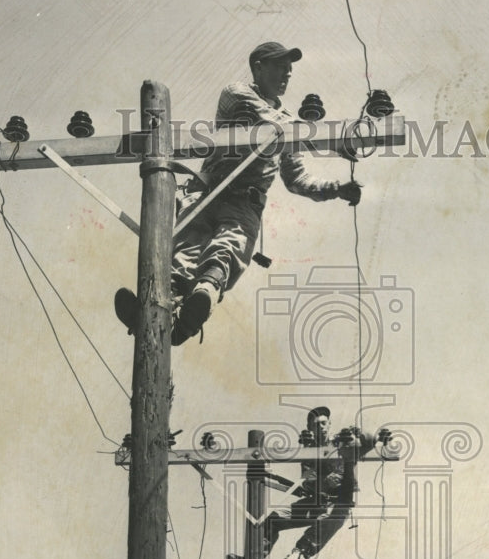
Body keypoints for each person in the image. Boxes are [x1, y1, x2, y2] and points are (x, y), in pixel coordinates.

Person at [115, 43, 370, 343]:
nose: (287, 72)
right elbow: (265, 120)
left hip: (244, 202)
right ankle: (157, 312)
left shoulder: (289, 123)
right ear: (258, 67)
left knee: (226, 251)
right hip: (206, 193)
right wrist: (334, 140)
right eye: (279, 65)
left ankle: (197, 306)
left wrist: (337, 189)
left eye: (289, 67)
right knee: (183, 257)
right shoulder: (236, 94)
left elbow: (296, 178)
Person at [226, 406, 382, 559]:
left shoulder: (341, 442)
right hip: (314, 501)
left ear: (329, 424)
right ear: (310, 428)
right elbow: (308, 481)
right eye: (315, 425)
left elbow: (370, 440)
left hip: (338, 503)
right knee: (272, 520)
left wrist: (362, 437)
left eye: (324, 423)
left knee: (314, 536)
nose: (320, 427)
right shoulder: (307, 450)